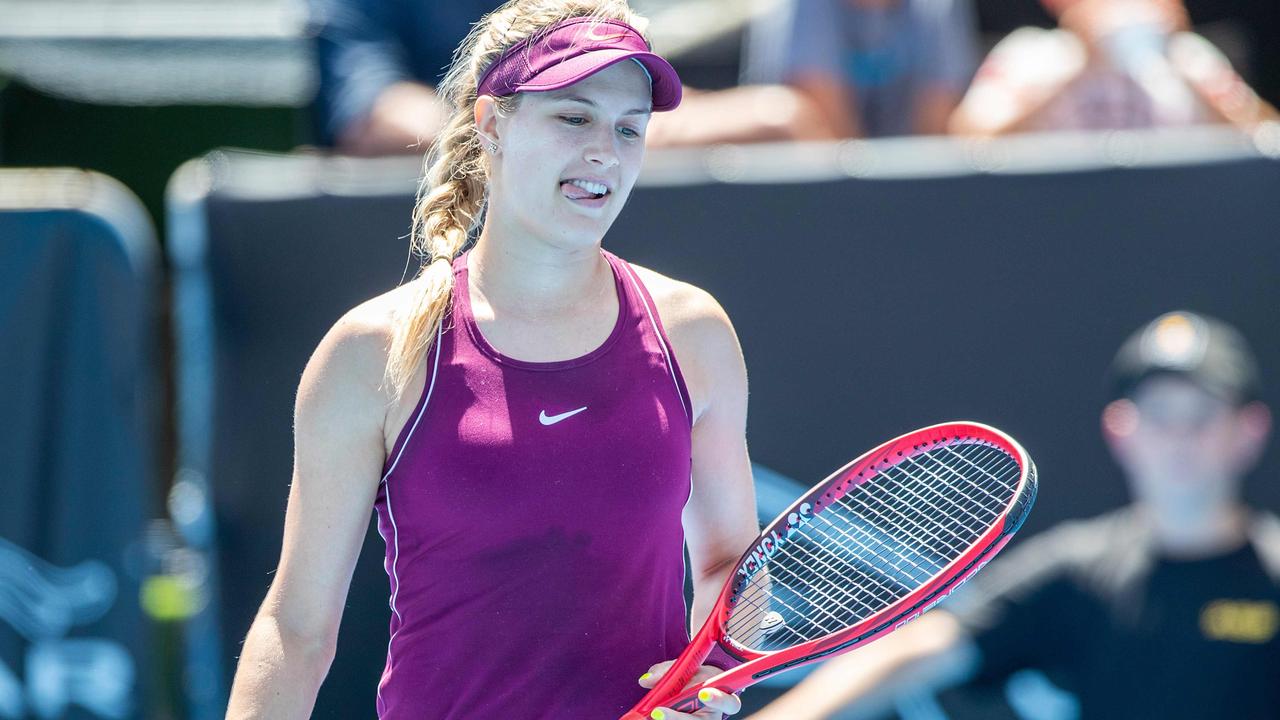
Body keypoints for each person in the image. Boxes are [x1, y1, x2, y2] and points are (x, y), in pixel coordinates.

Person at [225, 2, 760, 718]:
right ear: (492, 124)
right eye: (574, 117)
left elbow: (731, 560)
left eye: (630, 127)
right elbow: (295, 632)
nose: (606, 149)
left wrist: (714, 671)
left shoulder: (693, 334)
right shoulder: (372, 353)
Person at [744, 310, 1280, 720]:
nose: (1180, 439)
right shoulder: (1078, 570)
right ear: (1121, 430)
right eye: (1160, 415)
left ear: (1249, 431)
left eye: (1201, 416)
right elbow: (924, 647)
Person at [948, 0, 1280, 135]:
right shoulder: (1029, 53)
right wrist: (1081, 62)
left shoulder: (1187, 56)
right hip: (1054, 229)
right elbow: (967, 139)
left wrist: (1178, 56)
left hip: (1169, 227)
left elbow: (1267, 139)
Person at [738, 0, 980, 138]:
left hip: (909, 196)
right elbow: (831, 141)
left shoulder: (937, 7)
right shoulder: (805, 6)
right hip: (815, 199)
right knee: (783, 119)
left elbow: (932, 132)